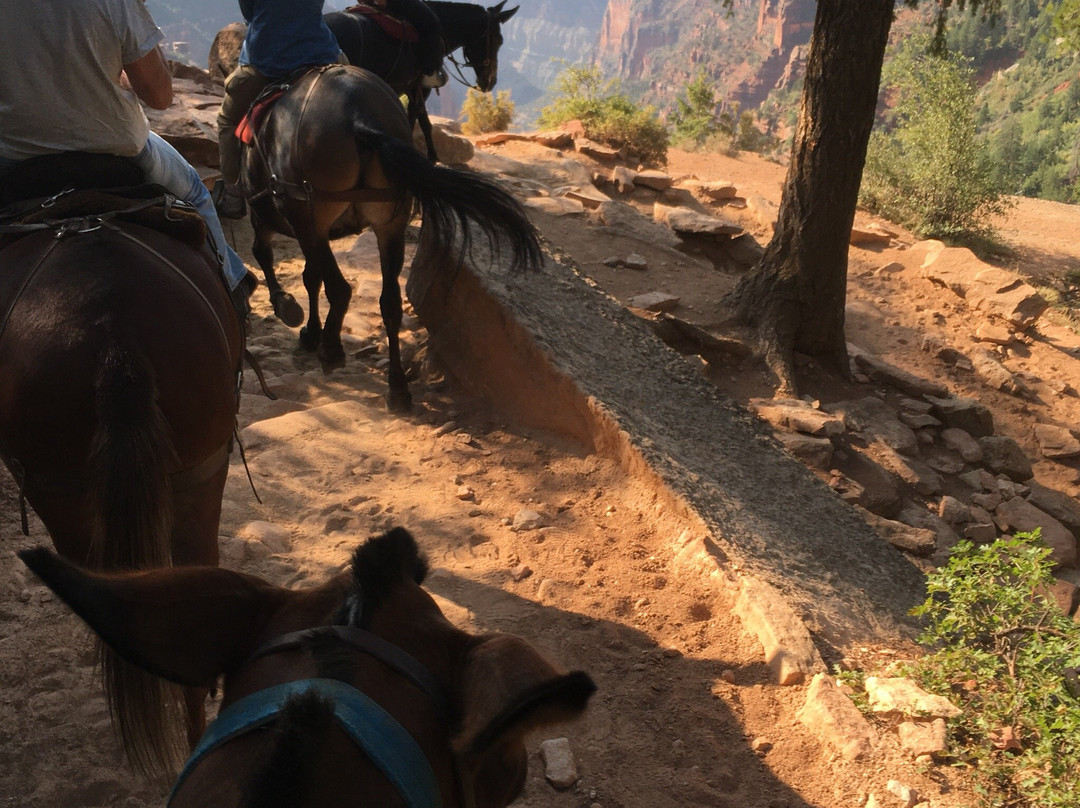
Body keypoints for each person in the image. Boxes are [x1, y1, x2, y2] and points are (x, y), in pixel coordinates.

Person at [0, 0, 254, 315]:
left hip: (15, 154)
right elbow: (159, 97)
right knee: (195, 191)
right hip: (117, 146)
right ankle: (233, 286)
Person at [214, 0, 446, 219]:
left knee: (227, 120)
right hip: (321, 52)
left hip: (269, 58)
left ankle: (234, 194)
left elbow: (250, 14)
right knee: (355, 88)